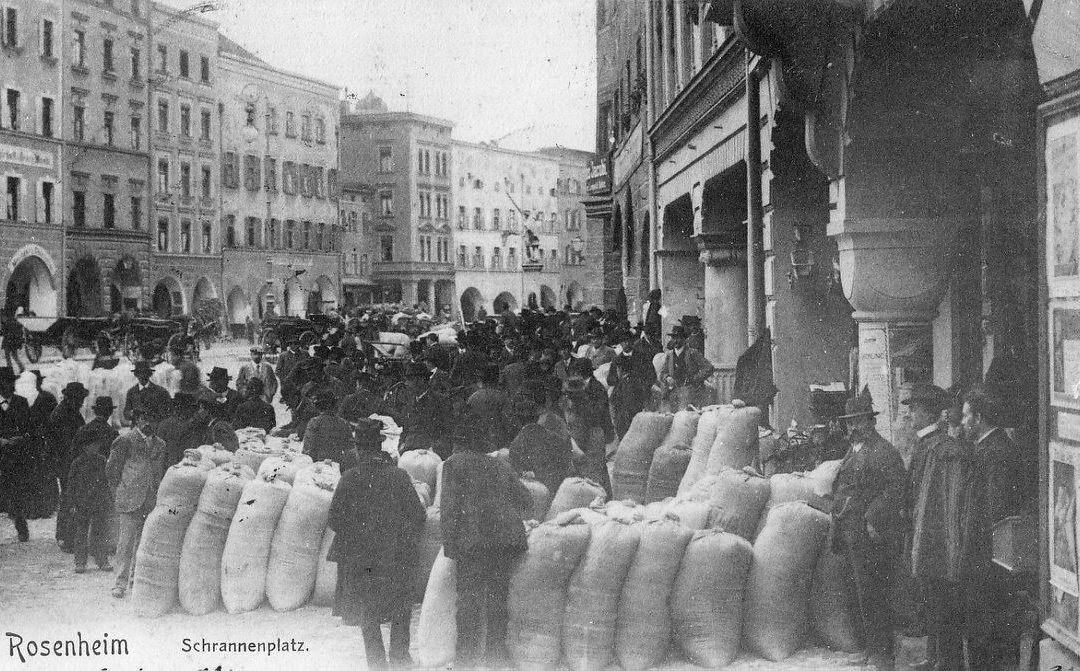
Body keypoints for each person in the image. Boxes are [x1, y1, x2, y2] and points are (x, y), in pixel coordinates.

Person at [327, 419, 425, 669]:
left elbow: (335, 520)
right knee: (401, 608)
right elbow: (418, 516)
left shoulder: (349, 478)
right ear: (380, 447)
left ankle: (377, 663)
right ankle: (401, 658)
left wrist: (359, 534)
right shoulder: (399, 476)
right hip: (396, 556)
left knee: (368, 612)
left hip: (362, 559)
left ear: (358, 448)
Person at [441, 421, 532, 667]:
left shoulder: (453, 464)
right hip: (505, 539)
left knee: (469, 600)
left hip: (474, 540)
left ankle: (465, 659)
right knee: (497, 599)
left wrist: (451, 546)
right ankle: (496, 656)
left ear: (460, 442)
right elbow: (526, 498)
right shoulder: (499, 464)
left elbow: (448, 509)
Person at [831, 386, 906, 671]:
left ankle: (882, 654)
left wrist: (873, 516)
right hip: (849, 530)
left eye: (860, 421)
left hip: (870, 532)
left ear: (871, 422)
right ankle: (867, 647)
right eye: (850, 422)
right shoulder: (852, 449)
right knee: (857, 589)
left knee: (874, 590)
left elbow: (896, 488)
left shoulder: (884, 451)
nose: (854, 427)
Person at [960, 384, 1025, 670]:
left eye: (965, 416)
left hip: (988, 556)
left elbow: (994, 510)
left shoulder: (994, 451)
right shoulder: (991, 447)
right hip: (988, 554)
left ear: (979, 418)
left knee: (986, 628)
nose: (962, 422)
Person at [904, 383, 968, 671]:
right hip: (924, 537)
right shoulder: (925, 445)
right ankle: (935, 658)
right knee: (933, 604)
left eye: (915, 408)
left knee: (943, 608)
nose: (910, 414)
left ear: (930, 412)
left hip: (938, 542)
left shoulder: (943, 450)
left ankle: (946, 663)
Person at [106, 403, 166, 599]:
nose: (150, 423)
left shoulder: (160, 444)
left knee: (144, 542)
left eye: (154, 419)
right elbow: (112, 470)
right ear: (138, 419)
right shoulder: (125, 440)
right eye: (146, 418)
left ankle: (135, 579)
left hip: (150, 499)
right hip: (130, 498)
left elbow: (159, 471)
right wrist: (119, 491)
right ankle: (120, 583)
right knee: (125, 543)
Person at [562, 357, 614, 497]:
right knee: (593, 470)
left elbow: (600, 413)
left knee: (596, 470)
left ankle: (604, 497)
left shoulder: (597, 388)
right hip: (585, 433)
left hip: (594, 432)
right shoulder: (576, 389)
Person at [65, 430, 114, 574]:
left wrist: (108, 498)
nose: (95, 448)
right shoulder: (77, 463)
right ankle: (80, 562)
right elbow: (71, 485)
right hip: (82, 502)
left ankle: (102, 560)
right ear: (85, 447)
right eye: (92, 445)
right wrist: (72, 504)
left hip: (99, 501)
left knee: (100, 532)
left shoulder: (102, 461)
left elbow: (107, 481)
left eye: (97, 445)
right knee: (81, 533)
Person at [508, 391, 570, 498]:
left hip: (537, 497)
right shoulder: (554, 437)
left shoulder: (516, 444)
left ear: (517, 420)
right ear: (537, 417)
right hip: (559, 492)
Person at [52, 381, 90, 552]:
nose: (82, 402)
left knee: (68, 498)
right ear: (73, 398)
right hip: (68, 464)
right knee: (70, 499)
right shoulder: (64, 414)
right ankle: (67, 538)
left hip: (66, 463)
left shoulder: (68, 411)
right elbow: (70, 442)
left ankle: (65, 536)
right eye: (80, 398)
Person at [0, 366, 34, 541]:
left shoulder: (21, 402)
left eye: (12, 381)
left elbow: (30, 429)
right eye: (7, 382)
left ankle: (21, 527)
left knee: (17, 492)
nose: (11, 385)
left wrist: (19, 439)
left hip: (17, 457)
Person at [658, 325, 716, 410]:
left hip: (691, 392)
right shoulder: (669, 355)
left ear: (684, 339)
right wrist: (667, 377)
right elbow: (662, 373)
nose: (675, 340)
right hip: (673, 393)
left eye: (678, 338)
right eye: (673, 338)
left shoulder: (692, 353)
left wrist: (694, 378)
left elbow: (709, 368)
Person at [303, 390, 357, 468]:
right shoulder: (343, 423)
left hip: (317, 466)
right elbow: (350, 450)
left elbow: (307, 450)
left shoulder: (314, 422)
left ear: (318, 406)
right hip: (337, 466)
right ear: (334, 405)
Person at [124, 360, 171, 426]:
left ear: (149, 374)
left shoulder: (161, 392)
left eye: (145, 373)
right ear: (136, 375)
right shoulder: (131, 392)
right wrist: (132, 413)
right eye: (139, 373)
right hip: (137, 429)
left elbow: (166, 414)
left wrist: (148, 415)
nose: (142, 376)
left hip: (155, 428)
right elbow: (126, 412)